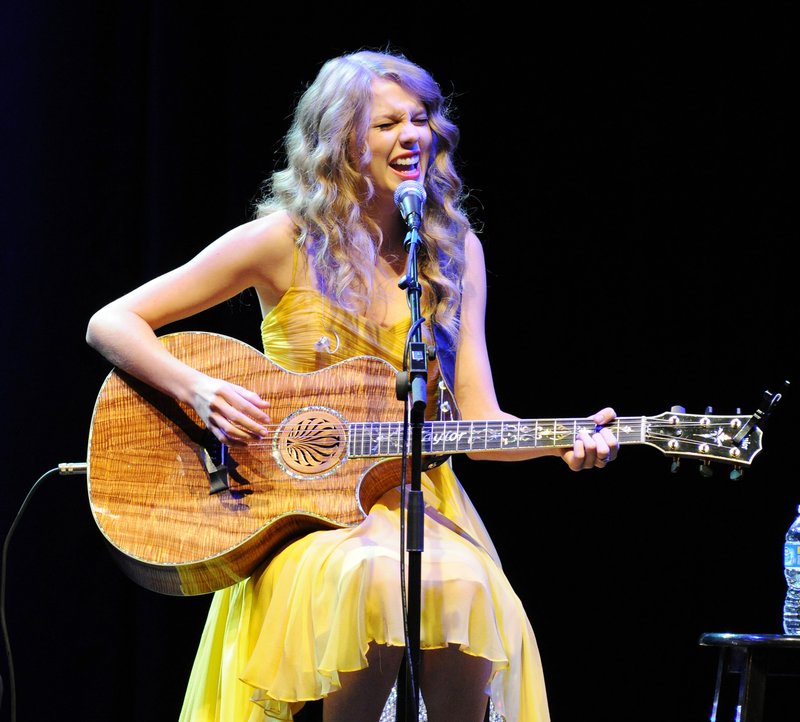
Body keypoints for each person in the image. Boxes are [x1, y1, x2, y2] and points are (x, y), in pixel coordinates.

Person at [86, 48, 619, 722]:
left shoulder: (454, 254)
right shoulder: (283, 240)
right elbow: (112, 322)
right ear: (341, 141)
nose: (411, 136)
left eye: (420, 119)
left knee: (472, 586)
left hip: (413, 500)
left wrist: (565, 440)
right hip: (297, 510)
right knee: (371, 577)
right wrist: (198, 390)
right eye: (387, 124)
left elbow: (478, 425)